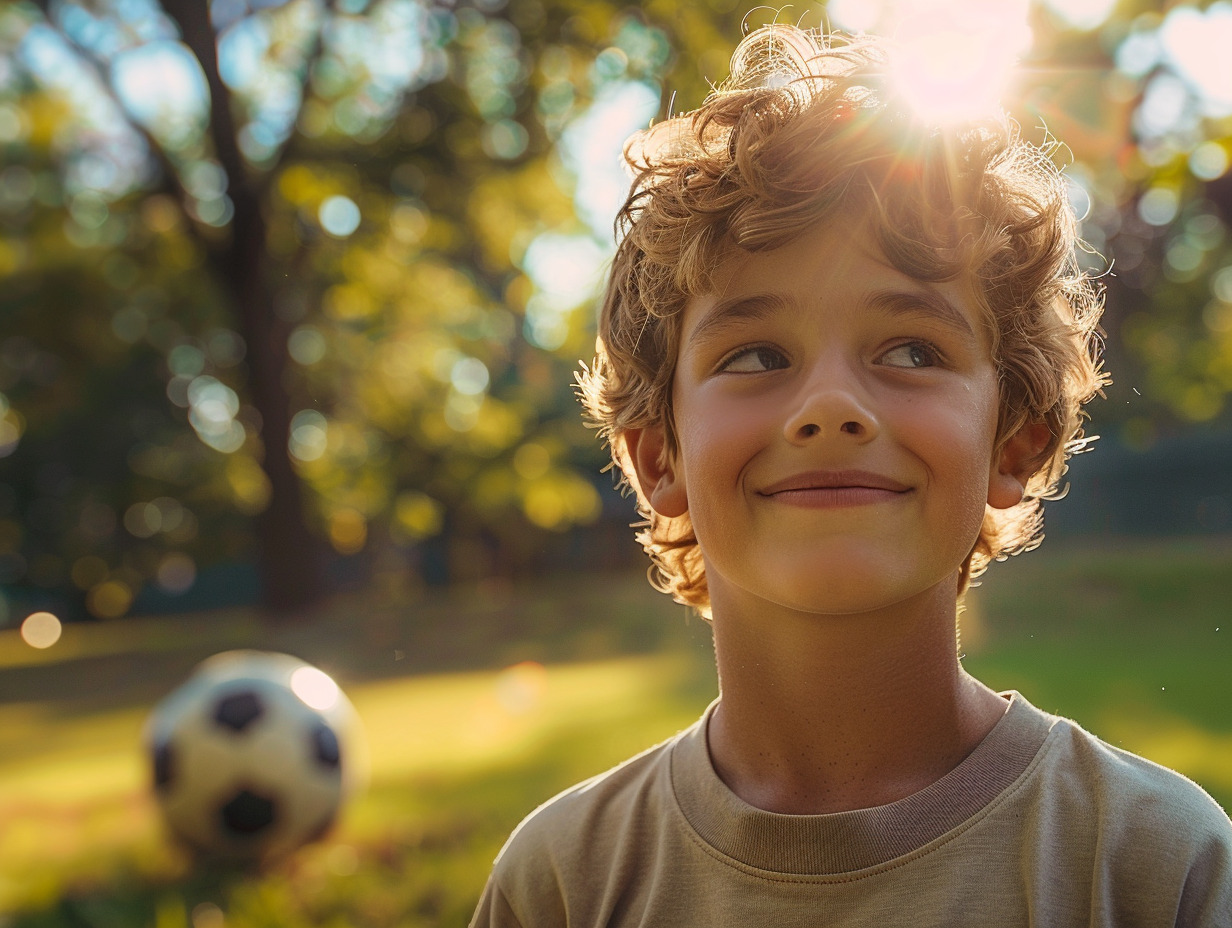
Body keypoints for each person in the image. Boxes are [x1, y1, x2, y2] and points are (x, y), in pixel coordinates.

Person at [470, 24, 1232, 927]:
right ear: (657, 456)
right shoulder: (563, 883)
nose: (830, 407)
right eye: (755, 355)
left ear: (1014, 443)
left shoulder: (1151, 864)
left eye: (911, 348)